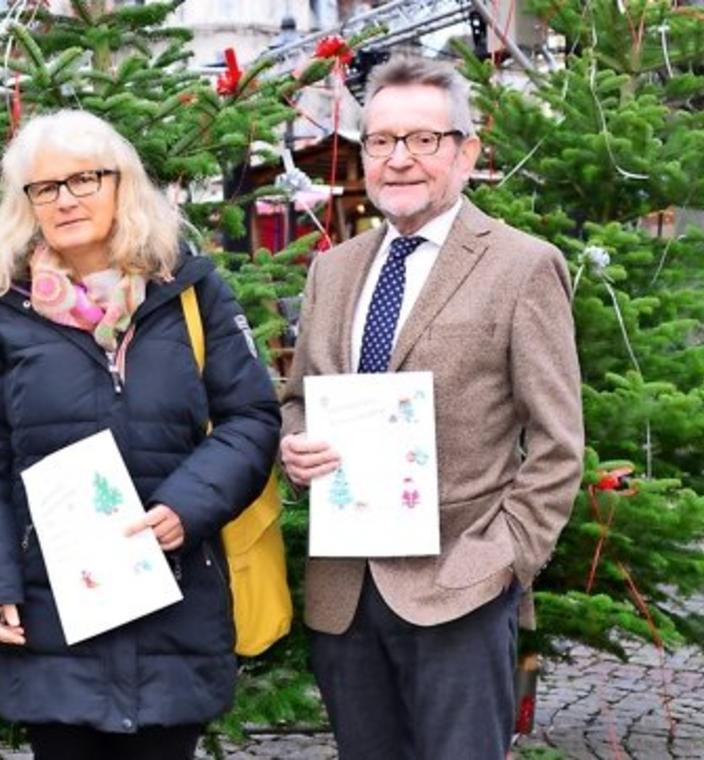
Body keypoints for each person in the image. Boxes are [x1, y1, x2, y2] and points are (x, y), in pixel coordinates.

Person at [0, 110, 280, 759]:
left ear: (122, 184)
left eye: (84, 180)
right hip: (51, 615)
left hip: (175, 602)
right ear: (27, 205)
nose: (65, 199)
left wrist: (189, 506)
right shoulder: (3, 316)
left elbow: (252, 418)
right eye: (45, 188)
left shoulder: (193, 293)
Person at [278, 56, 583, 760]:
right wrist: (294, 448)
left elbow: (559, 443)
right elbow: (301, 401)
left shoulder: (521, 266)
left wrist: (502, 559)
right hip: (345, 592)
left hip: (462, 588)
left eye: (424, 140)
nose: (400, 160)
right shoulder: (335, 268)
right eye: (382, 142)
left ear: (466, 151)